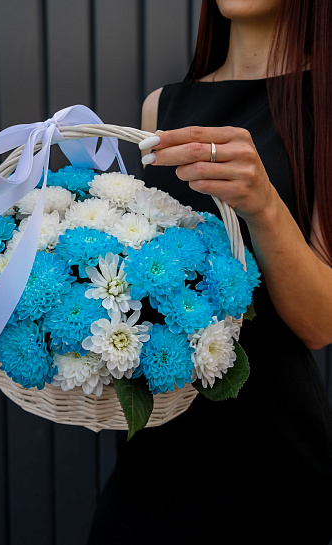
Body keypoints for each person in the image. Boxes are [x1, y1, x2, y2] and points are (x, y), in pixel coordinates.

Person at [87, 1, 332, 543]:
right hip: (156, 448)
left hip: (271, 457)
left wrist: (264, 205)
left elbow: (321, 323)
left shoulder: (325, 100)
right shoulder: (162, 108)